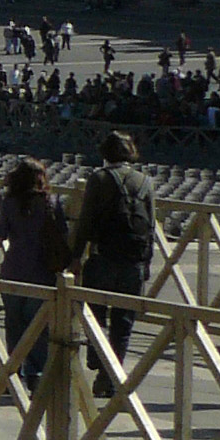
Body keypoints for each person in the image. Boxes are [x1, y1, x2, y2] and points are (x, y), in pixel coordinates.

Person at [69, 132, 157, 372]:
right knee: (123, 324)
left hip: (103, 257)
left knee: (95, 315)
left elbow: (86, 221)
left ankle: (97, 358)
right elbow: (151, 226)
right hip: (134, 261)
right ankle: (111, 376)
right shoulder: (145, 181)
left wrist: (76, 256)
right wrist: (146, 263)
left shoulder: (99, 178)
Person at [0, 158, 67, 389]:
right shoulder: (52, 202)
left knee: (14, 324)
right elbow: (63, 235)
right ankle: (35, 372)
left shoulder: (10, 202)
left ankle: (13, 370)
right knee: (38, 326)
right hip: (42, 271)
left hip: (13, 268)